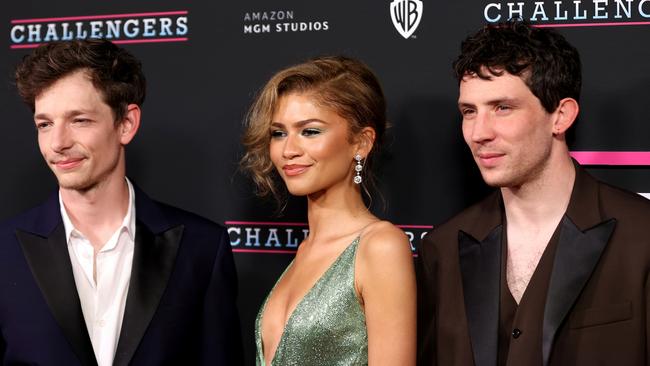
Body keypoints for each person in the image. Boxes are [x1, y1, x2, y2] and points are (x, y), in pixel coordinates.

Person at [417, 20, 650, 366]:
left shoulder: (642, 235)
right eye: (469, 112)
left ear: (560, 116)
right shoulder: (444, 248)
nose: (478, 133)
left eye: (502, 108)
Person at [0, 39, 243, 365]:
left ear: (126, 124)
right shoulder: (4, 251)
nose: (57, 143)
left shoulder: (201, 248)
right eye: (45, 124)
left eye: (79, 120)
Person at [241, 56, 416, 365]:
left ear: (361, 143)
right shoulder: (305, 250)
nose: (288, 150)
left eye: (310, 131)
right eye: (279, 133)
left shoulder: (380, 246)